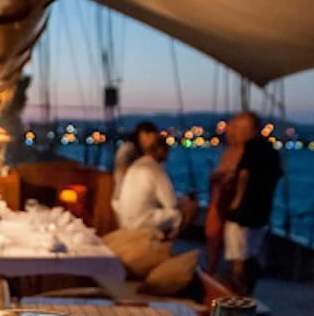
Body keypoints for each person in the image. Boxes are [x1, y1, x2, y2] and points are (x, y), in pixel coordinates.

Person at [222, 111, 282, 294]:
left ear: (248, 129)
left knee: (237, 256)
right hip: (262, 211)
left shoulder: (250, 147)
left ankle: (236, 296)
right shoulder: (271, 150)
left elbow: (244, 175)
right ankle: (248, 292)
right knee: (251, 255)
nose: (235, 133)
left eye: (239, 129)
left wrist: (236, 201)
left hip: (243, 212)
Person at [113, 133, 199, 238]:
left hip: (124, 221)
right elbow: (171, 203)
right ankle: (166, 242)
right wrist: (187, 202)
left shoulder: (136, 165)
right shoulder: (155, 168)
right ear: (161, 150)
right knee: (179, 213)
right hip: (141, 223)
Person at [204, 121, 245, 276]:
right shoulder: (228, 153)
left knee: (233, 245)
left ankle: (229, 276)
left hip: (230, 204)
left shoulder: (241, 154)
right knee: (214, 238)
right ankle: (211, 271)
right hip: (218, 201)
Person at [112, 121, 161, 191]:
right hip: (126, 194)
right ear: (142, 134)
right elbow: (124, 169)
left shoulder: (140, 151)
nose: (153, 142)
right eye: (150, 137)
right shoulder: (128, 149)